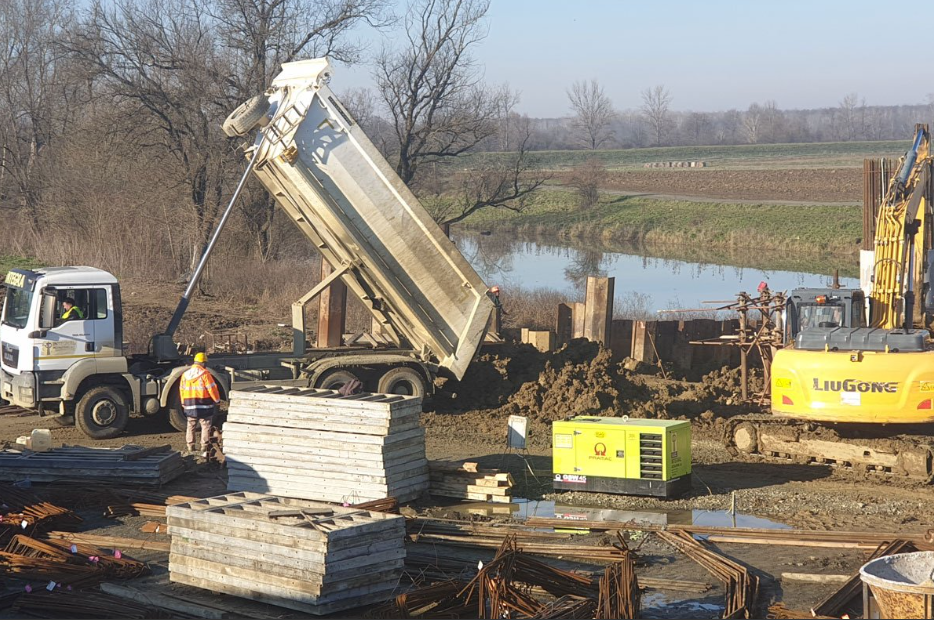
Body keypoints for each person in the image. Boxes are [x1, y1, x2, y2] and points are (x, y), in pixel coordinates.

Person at [179, 352, 221, 458]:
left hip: (189, 404)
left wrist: (183, 402)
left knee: (191, 425)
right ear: (203, 363)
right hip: (204, 404)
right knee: (205, 425)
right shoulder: (205, 374)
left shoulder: (185, 375)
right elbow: (212, 388)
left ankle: (190, 446)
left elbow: (182, 390)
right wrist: (217, 400)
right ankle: (204, 447)